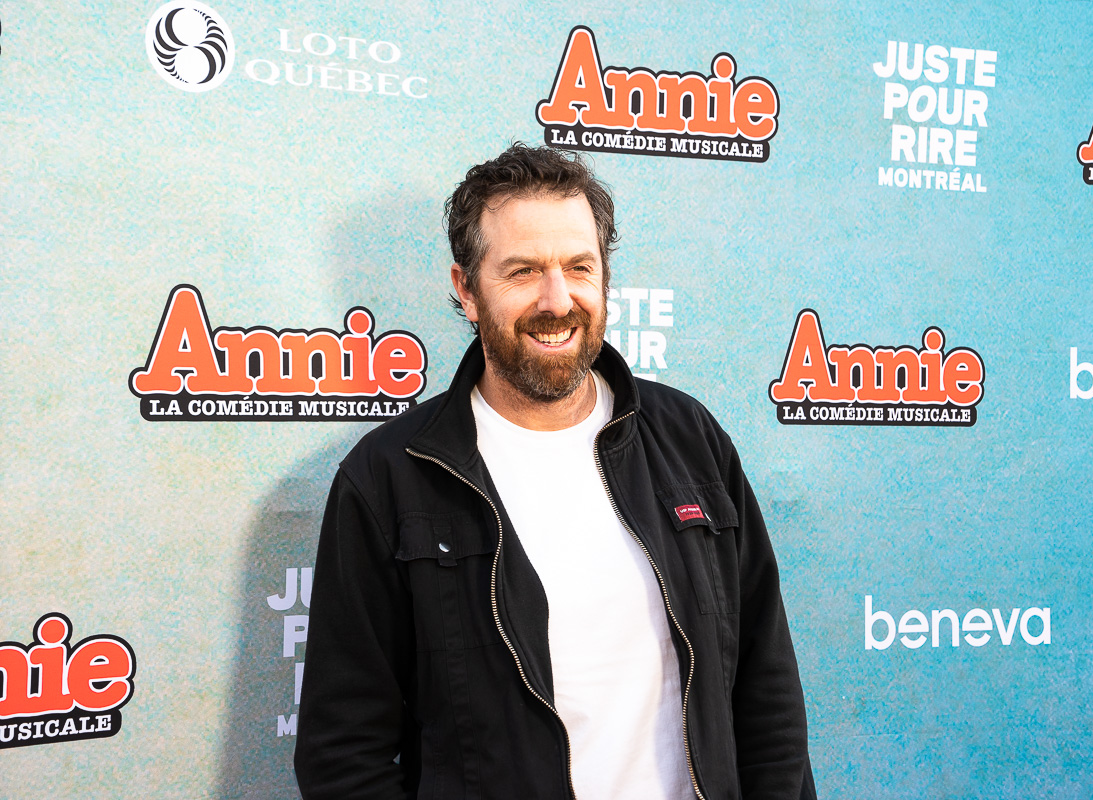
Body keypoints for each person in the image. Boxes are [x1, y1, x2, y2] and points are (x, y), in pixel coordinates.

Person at [294, 143, 817, 799]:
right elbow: (344, 756)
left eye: (579, 267)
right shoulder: (389, 478)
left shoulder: (690, 439)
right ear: (467, 290)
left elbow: (766, 688)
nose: (557, 298)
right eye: (523, 271)